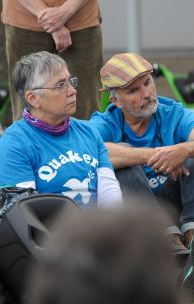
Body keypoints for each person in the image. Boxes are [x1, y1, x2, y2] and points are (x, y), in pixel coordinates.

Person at [88, 53, 194, 301]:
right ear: (115, 100)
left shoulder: (172, 112)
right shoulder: (104, 122)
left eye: (147, 82)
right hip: (142, 221)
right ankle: (190, 257)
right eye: (133, 90)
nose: (146, 93)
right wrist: (151, 155)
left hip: (180, 208)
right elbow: (90, 151)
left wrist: (183, 150)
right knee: (123, 167)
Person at [0, 51, 120, 207]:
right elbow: (24, 213)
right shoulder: (14, 143)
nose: (73, 91)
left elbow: (111, 197)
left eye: (70, 82)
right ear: (33, 98)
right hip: (48, 230)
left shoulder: (89, 132)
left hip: (97, 228)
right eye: (61, 85)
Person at [27, 206, 184, 304]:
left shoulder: (95, 150)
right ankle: (180, 276)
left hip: (85, 227)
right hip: (70, 228)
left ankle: (188, 254)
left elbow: (111, 195)